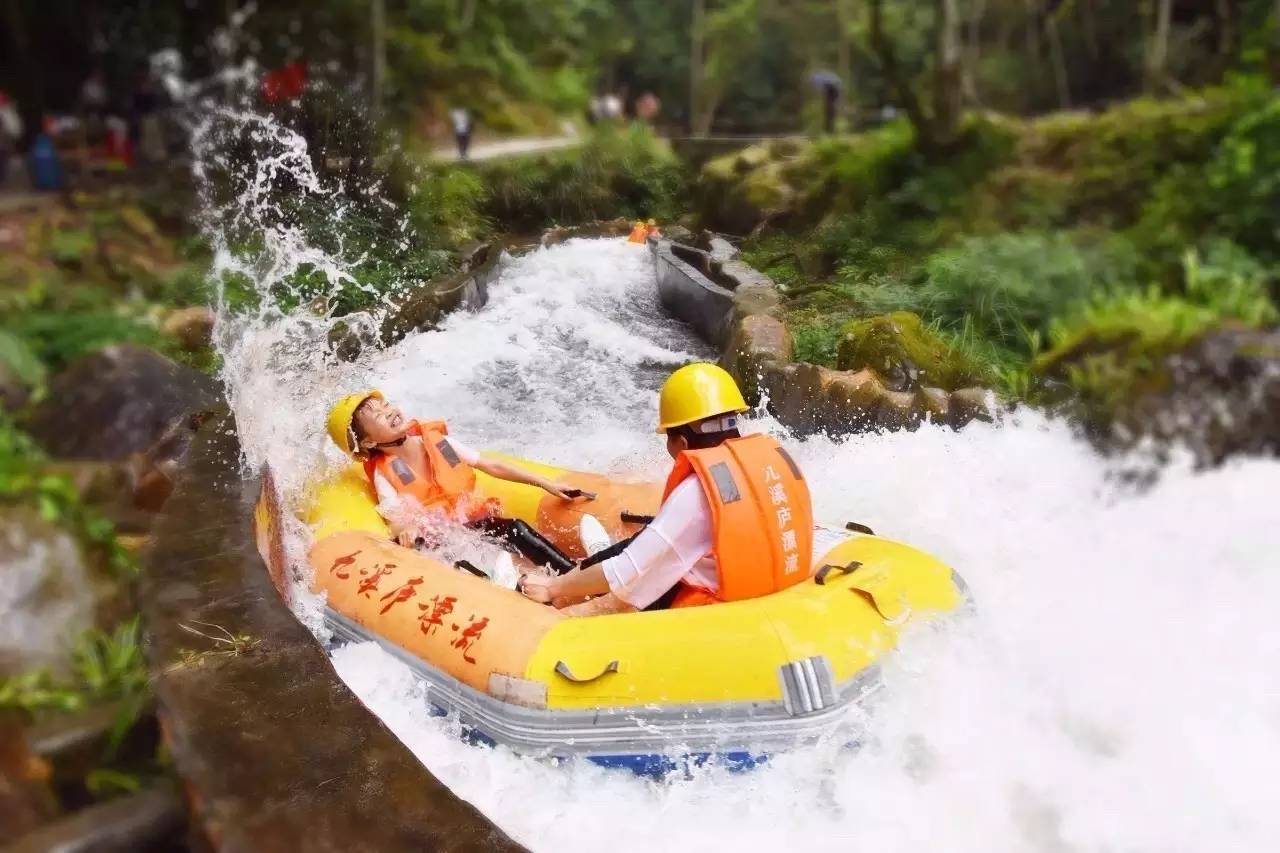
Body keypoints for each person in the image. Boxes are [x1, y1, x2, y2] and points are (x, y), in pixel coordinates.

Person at [519, 363, 813, 615]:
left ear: (682, 444)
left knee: (634, 570)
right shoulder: (775, 462)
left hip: (712, 609)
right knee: (649, 548)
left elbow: (623, 571)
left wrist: (554, 587)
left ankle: (557, 601)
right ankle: (590, 568)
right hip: (774, 590)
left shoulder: (697, 493)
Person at [327, 390, 579, 574]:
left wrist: (545, 483)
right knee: (466, 560)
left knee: (517, 529)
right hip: (442, 540)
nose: (390, 411)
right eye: (379, 416)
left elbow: (490, 465)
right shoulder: (385, 474)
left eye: (386, 405)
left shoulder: (438, 442)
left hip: (471, 521)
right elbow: (394, 519)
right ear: (369, 442)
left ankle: (573, 574)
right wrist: (406, 530)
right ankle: (519, 587)